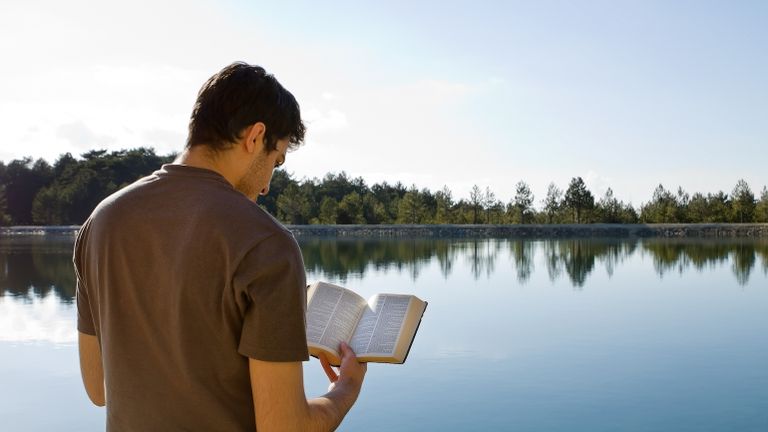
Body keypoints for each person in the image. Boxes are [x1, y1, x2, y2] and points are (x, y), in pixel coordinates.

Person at [74, 62, 366, 431]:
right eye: (276, 161)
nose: (266, 187)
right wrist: (346, 388)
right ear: (255, 137)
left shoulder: (101, 221)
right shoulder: (266, 242)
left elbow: (98, 388)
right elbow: (285, 428)